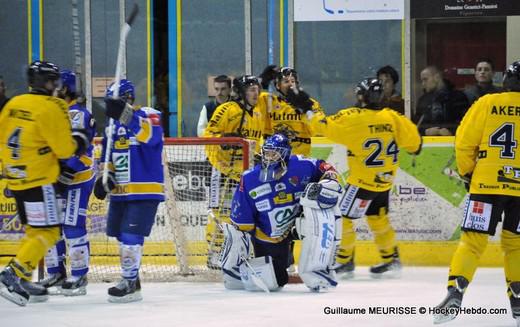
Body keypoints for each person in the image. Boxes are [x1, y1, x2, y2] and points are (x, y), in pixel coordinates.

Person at [433, 61, 520, 325]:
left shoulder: (487, 103)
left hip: (485, 185)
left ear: (506, 79)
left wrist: (468, 172)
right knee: (516, 245)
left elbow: (463, 140)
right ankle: (517, 298)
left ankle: (455, 290)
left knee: (472, 241)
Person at [309, 78, 422, 279]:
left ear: (362, 96)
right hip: (384, 182)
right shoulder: (393, 117)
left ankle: (344, 260)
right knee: (378, 218)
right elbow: (415, 144)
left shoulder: (356, 118)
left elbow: (324, 127)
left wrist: (310, 112)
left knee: (343, 218)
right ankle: (390, 257)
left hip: (362, 183)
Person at [0, 60, 90, 306]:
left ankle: (23, 276)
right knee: (48, 232)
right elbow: (63, 149)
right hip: (41, 181)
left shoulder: (14, 103)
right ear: (49, 83)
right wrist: (80, 140)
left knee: (33, 232)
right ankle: (13, 273)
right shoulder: (53, 106)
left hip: (17, 179)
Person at [221, 133, 342, 292]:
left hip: (297, 226)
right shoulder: (250, 179)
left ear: (285, 154)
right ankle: (279, 261)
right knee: (277, 280)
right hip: (270, 237)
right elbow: (242, 224)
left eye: (274, 153)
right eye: (266, 153)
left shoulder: (302, 166)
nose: (269, 158)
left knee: (325, 207)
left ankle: (319, 270)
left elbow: (326, 168)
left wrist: (329, 180)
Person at [93, 79, 164, 303]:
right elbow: (107, 152)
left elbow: (152, 137)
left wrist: (126, 115)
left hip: (144, 189)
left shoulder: (148, 114)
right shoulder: (110, 126)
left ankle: (129, 282)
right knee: (119, 233)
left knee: (131, 236)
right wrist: (105, 175)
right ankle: (133, 279)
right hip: (121, 191)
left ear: (127, 99)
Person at [203, 75, 271, 269]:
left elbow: (256, 143)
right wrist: (225, 139)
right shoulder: (227, 109)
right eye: (251, 90)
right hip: (222, 170)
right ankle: (214, 252)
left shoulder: (257, 113)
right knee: (220, 213)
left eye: (257, 89)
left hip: (245, 173)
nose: (256, 93)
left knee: (243, 214)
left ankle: (238, 250)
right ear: (241, 92)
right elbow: (209, 135)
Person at [38, 70, 96, 296]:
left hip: (76, 179)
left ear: (64, 88)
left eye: (54, 85)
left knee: (72, 226)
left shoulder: (77, 115)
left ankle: (79, 275)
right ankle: (56, 272)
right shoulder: (51, 112)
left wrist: (67, 171)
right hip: (53, 180)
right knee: (51, 228)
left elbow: (82, 148)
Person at [258, 65, 324, 156]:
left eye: (293, 81)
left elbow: (319, 130)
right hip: (274, 158)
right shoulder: (268, 101)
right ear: (278, 85)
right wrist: (260, 82)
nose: (290, 84)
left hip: (299, 158)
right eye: (286, 81)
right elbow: (246, 102)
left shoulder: (310, 103)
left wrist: (307, 110)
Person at [414, 66, 469, 136]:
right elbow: (416, 125)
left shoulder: (457, 97)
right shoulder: (423, 100)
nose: (423, 84)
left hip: (454, 141)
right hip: (428, 143)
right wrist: (425, 131)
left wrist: (452, 131)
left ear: (437, 77)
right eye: (422, 80)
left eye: (425, 79)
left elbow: (466, 122)